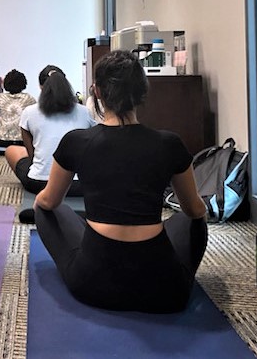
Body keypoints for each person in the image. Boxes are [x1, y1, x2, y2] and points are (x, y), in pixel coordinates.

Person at [33, 50, 207, 313]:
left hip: (92, 284)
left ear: (97, 92)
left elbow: (49, 202)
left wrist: (39, 200)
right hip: (166, 290)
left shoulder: (76, 141)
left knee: (46, 209)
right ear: (142, 92)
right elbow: (194, 210)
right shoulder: (170, 143)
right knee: (192, 217)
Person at [5, 66, 96, 223]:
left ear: (41, 87)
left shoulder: (29, 112)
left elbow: (31, 154)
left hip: (40, 184)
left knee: (12, 150)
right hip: (79, 185)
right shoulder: (84, 112)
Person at [0, 69, 36, 147]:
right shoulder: (29, 98)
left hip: (2, 141)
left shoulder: (0, 97)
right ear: (24, 83)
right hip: (24, 141)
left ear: (6, 84)